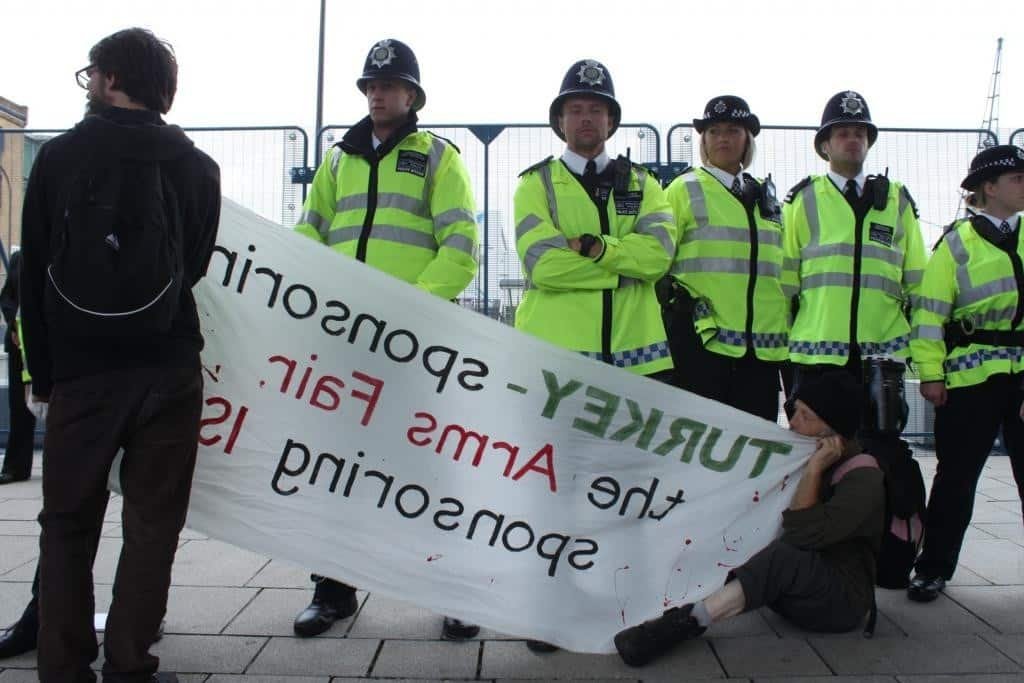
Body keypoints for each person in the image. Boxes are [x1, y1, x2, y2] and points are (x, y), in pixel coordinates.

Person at [20, 27, 221, 682]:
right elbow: (189, 265)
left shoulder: (56, 160)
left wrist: (44, 376)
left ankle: (62, 664)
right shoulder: (197, 167)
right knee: (152, 525)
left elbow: (33, 279)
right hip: (167, 366)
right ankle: (132, 662)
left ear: (110, 80)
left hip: (81, 371)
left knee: (67, 524)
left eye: (92, 75)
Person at [291, 38, 481, 642]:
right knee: (338, 465)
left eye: (389, 85)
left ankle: (451, 590)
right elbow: (308, 234)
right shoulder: (336, 160)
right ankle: (333, 590)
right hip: (346, 338)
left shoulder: (438, 158)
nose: (377, 93)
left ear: (412, 95)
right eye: (370, 85)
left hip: (413, 344)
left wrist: (407, 310)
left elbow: (460, 247)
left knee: (430, 469)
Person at [513, 58, 676, 651]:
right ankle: (551, 610)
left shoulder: (646, 184)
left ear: (611, 119)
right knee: (555, 494)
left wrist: (593, 248)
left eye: (596, 108)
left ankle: (625, 602)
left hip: (638, 365)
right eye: (575, 108)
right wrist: (618, 268)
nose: (586, 117)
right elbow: (542, 265)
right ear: (560, 121)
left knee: (629, 496)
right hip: (560, 368)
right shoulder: (536, 183)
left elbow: (657, 257)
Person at [614, 371, 884, 667]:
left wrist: (813, 472)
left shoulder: (863, 478)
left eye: (806, 416)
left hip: (840, 602)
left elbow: (801, 537)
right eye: (794, 411)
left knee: (785, 555)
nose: (793, 422)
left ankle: (686, 623)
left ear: (834, 433)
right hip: (795, 592)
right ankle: (668, 603)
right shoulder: (806, 455)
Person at [907, 144, 1024, 602]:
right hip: (970, 381)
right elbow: (930, 315)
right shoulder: (957, 243)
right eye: (1016, 178)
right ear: (988, 188)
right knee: (956, 478)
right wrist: (931, 374)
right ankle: (932, 567)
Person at [782, 91, 927, 397]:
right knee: (820, 445)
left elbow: (919, 284)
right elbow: (783, 284)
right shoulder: (803, 200)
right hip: (818, 352)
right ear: (825, 145)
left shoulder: (896, 200)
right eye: (843, 133)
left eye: (860, 134)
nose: (853, 140)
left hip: (882, 353)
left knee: (878, 445)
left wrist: (927, 359)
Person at [663, 96, 786, 421]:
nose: (723, 139)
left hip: (761, 352)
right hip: (702, 348)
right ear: (704, 140)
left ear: (747, 139)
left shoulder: (766, 198)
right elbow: (658, 263)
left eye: (733, 130)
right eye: (714, 131)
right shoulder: (683, 190)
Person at [0, 247, 36, 484]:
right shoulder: (18, 259)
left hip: (44, 345)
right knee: (18, 406)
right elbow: (7, 298)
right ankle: (16, 466)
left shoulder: (57, 256)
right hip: (18, 345)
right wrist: (14, 324)